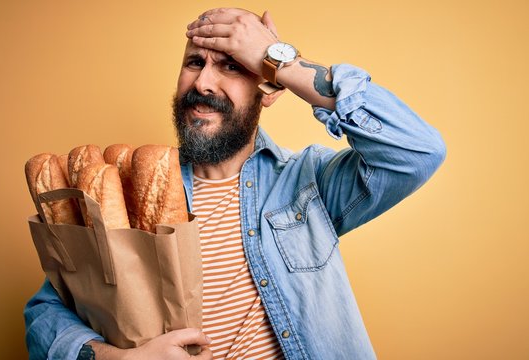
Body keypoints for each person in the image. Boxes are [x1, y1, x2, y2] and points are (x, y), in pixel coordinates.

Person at [24, 7, 446, 360]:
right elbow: (45, 313)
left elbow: (417, 151)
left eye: (231, 65)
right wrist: (119, 359)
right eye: (194, 63)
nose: (204, 83)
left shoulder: (309, 183)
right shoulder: (129, 195)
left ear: (269, 88)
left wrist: (281, 60)